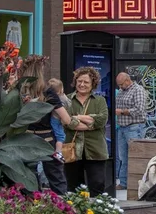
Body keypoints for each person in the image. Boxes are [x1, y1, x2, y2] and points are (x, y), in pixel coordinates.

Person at [18, 56, 69, 194]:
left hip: (24, 138)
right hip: (46, 138)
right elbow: (66, 119)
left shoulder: (18, 91)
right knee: (56, 176)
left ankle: (31, 203)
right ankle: (61, 204)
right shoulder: (47, 91)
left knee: (28, 177)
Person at [64, 67, 110, 195]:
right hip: (72, 151)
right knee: (74, 188)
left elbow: (102, 120)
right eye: (79, 81)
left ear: (93, 84)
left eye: (86, 82)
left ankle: (96, 208)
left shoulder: (100, 100)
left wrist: (77, 117)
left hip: (96, 150)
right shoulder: (67, 100)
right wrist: (91, 123)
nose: (82, 84)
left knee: (97, 185)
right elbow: (67, 122)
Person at [114, 71, 149, 193]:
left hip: (134, 127)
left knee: (135, 156)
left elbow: (139, 109)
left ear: (127, 81)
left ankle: (136, 183)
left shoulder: (138, 90)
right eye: (118, 85)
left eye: (121, 84)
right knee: (123, 157)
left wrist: (122, 111)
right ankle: (124, 183)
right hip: (122, 127)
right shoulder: (121, 91)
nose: (120, 87)